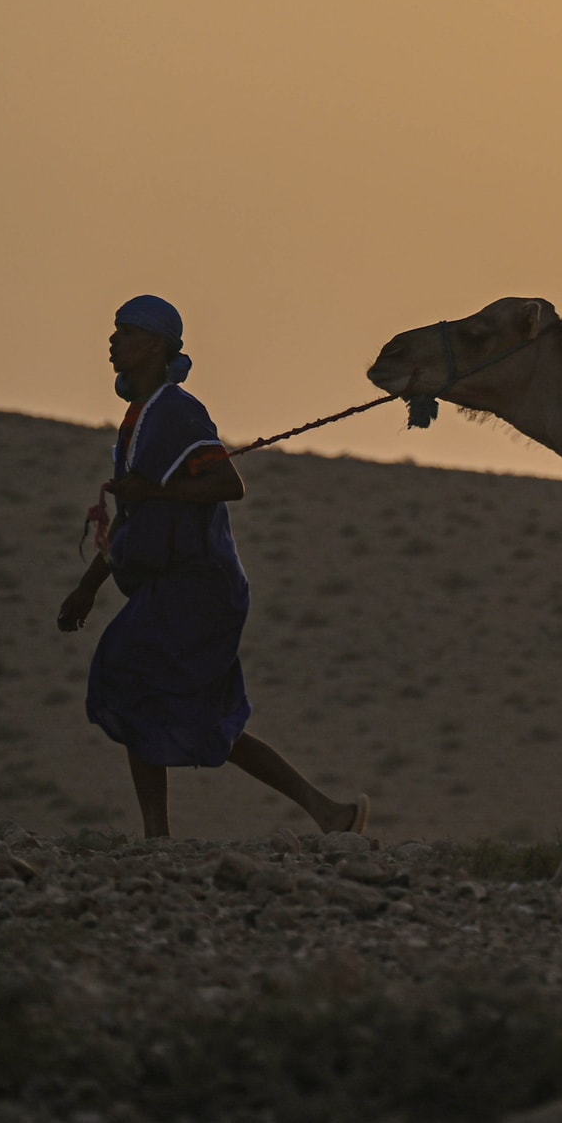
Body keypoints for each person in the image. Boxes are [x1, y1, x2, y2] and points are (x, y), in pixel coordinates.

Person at [57, 295, 367, 837]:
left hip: (199, 588)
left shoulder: (178, 412)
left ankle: (158, 838)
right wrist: (88, 586)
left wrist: (154, 489)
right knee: (192, 713)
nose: (113, 342)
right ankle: (327, 812)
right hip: (172, 587)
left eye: (125, 333)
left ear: (155, 345)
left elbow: (229, 485)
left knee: (126, 675)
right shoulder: (139, 419)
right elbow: (135, 515)